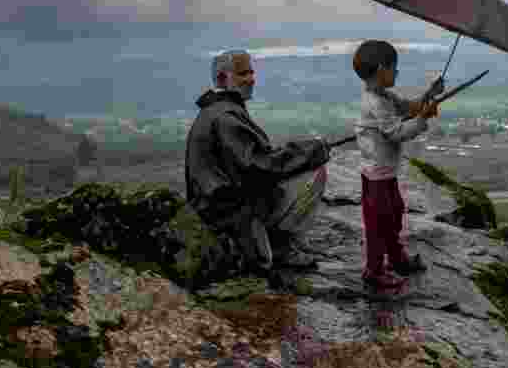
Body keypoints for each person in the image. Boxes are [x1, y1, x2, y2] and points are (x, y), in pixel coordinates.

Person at [185, 49, 331, 277]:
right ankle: (282, 246)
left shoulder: (216, 111)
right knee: (316, 173)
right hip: (230, 215)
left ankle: (273, 241)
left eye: (251, 72)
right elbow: (258, 166)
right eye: (243, 74)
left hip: (216, 207)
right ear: (223, 79)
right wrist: (313, 151)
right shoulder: (225, 117)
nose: (251, 79)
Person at [353, 40, 445, 293]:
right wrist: (424, 118)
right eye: (394, 68)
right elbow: (395, 132)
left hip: (385, 174)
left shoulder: (385, 97)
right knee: (379, 224)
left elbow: (408, 107)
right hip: (376, 178)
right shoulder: (375, 103)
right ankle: (374, 272)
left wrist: (430, 94)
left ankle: (396, 258)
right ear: (381, 69)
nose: (397, 72)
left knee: (393, 215)